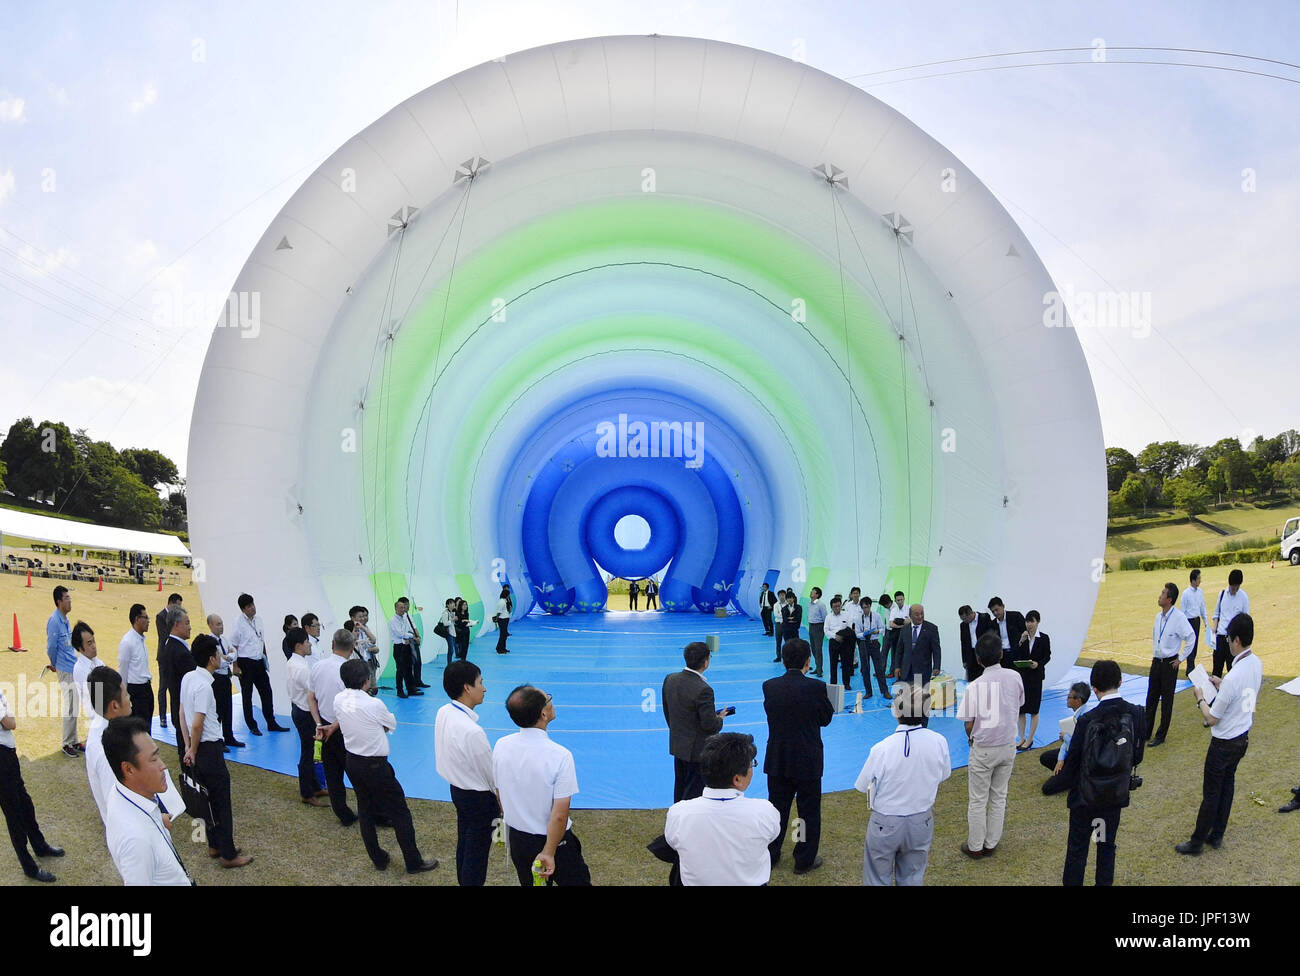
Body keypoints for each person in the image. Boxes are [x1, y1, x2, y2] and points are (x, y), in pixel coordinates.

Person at [334, 659, 439, 873]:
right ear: (366, 680)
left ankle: (379, 859)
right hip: (375, 765)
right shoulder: (373, 704)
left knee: (365, 808)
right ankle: (413, 862)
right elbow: (391, 723)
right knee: (399, 812)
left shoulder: (339, 698)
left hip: (353, 761)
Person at [1176, 612, 1262, 855]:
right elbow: (1242, 691)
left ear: (1236, 641)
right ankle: (1217, 835)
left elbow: (1211, 717)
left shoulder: (1234, 675)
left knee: (1212, 793)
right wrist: (1220, 684)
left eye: (1228, 641)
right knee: (1227, 786)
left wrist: (1200, 697)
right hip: (1242, 737)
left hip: (1224, 742)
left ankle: (1196, 842)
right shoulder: (1255, 663)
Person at [492, 685, 592, 885]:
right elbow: (560, 814)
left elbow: (499, 793)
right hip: (556, 843)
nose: (552, 702)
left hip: (519, 840)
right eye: (548, 699)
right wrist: (549, 851)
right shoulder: (560, 756)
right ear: (544, 713)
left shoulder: (501, 745)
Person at [1059, 660, 1146, 886]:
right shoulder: (1135, 713)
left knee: (1077, 850)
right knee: (1106, 846)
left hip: (1085, 797)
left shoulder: (1087, 720)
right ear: (1120, 681)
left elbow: (1073, 763)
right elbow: (1137, 755)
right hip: (1113, 794)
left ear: (1094, 688)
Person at [855, 683, 951, 885]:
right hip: (921, 819)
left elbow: (862, 785)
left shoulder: (882, 749)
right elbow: (944, 774)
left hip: (885, 821)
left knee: (876, 878)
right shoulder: (939, 741)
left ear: (896, 711)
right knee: (913, 877)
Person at [664, 732, 780, 886]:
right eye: (752, 764)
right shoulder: (764, 812)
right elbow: (772, 836)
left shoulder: (679, 813)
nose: (752, 768)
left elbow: (673, 843)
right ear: (737, 778)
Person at [181, 635, 253, 868]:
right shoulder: (204, 686)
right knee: (221, 801)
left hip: (197, 747)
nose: (222, 658)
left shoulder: (188, 678)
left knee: (206, 799)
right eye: (218, 654)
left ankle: (214, 845)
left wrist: (187, 746)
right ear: (212, 659)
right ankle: (228, 854)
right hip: (208, 748)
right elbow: (197, 723)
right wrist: (192, 748)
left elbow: (182, 713)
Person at [763, 638, 833, 874]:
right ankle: (803, 860)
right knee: (807, 812)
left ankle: (771, 854)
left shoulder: (769, 686)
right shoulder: (816, 688)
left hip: (778, 759)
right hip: (807, 760)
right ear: (808, 661)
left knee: (777, 810)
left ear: (783, 661)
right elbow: (825, 718)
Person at [956, 632, 1024, 858]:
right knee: (998, 796)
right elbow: (1019, 703)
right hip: (1007, 745)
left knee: (978, 799)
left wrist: (972, 738)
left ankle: (976, 846)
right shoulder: (1014, 677)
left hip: (984, 748)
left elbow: (968, 723)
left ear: (978, 659)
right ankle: (991, 842)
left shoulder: (974, 686)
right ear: (1002, 654)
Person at [102, 717, 192, 885]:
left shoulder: (123, 791)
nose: (163, 765)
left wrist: (158, 819)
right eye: (153, 759)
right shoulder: (136, 841)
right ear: (128, 769)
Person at [435, 660, 498, 885]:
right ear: (467, 688)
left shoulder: (444, 711)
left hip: (458, 790)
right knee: (477, 853)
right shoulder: (472, 731)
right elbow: (492, 776)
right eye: (480, 682)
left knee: (465, 842)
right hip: (479, 799)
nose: (484, 687)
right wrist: (501, 802)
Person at [0, 682, 63, 881]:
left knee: (25, 804)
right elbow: (10, 723)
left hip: (8, 755)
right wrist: (7, 710)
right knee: (14, 814)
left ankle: (39, 845)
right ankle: (29, 867)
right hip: (1, 758)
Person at [307, 629, 361, 826]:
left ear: (332, 644)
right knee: (356, 771)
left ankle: (342, 812)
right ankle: (372, 811)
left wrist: (319, 724)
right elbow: (352, 706)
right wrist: (333, 726)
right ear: (352, 647)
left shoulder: (318, 666)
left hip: (324, 724)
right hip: (343, 728)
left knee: (332, 772)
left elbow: (310, 697)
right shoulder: (349, 670)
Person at [662, 641, 726, 803]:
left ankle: (676, 822)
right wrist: (719, 718)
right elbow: (709, 725)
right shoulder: (703, 689)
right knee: (693, 793)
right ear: (705, 662)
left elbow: (668, 711)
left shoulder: (670, 679)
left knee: (680, 786)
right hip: (697, 750)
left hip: (679, 744)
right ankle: (687, 826)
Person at [1146, 582, 1197, 747]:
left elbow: (1191, 637)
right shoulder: (1157, 617)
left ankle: (1161, 735)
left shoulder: (1179, 618)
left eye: (1163, 593)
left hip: (1169, 664)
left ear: (1169, 599)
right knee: (1151, 698)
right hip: (1156, 662)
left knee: (1167, 700)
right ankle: (1146, 732)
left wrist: (1181, 658)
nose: (1159, 596)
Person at [229, 594, 288, 732]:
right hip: (245, 662)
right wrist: (236, 666)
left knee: (267, 692)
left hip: (259, 661)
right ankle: (252, 725)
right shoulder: (238, 623)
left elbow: (261, 640)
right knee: (247, 695)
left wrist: (265, 658)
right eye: (249, 606)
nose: (253, 608)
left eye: (253, 604)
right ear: (243, 609)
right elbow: (234, 646)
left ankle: (271, 722)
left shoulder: (259, 620)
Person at [86, 665, 133, 824]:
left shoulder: (109, 729)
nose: (129, 698)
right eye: (126, 694)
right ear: (114, 705)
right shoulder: (105, 748)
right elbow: (116, 805)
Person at [284, 627, 323, 806]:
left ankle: (314, 786)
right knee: (308, 753)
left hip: (298, 709)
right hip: (304, 712)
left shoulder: (294, 662)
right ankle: (307, 792)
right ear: (299, 645)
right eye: (307, 642)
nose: (309, 645)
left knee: (310, 750)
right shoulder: (301, 668)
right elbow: (312, 693)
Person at [893, 604, 941, 726]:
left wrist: (936, 666)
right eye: (917, 614)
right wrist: (897, 666)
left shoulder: (931, 628)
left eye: (922, 614)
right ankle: (908, 723)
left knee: (923, 699)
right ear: (910, 615)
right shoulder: (904, 629)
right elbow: (899, 650)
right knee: (906, 699)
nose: (920, 616)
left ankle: (923, 725)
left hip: (922, 671)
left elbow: (936, 650)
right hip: (906, 671)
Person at [45, 585, 79, 758]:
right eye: (67, 598)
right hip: (64, 668)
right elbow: (51, 646)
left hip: (72, 666)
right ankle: (67, 743)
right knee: (70, 705)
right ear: (59, 602)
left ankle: (74, 739)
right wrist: (53, 663)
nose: (69, 600)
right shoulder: (54, 621)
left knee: (75, 704)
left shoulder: (65, 619)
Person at [1040, 683, 1091, 796]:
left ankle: (1075, 777)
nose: (1067, 699)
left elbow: (1079, 745)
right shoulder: (1076, 715)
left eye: (1069, 697)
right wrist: (1060, 760)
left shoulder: (1084, 718)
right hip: (1071, 753)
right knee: (1046, 757)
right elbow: (1066, 745)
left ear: (1078, 700)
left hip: (1078, 758)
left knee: (1047, 789)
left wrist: (1066, 737)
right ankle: (1068, 773)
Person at [1013, 610, 1051, 750]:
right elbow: (1015, 654)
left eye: (1032, 621)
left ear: (1038, 622)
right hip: (1023, 676)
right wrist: (1021, 641)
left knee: (1034, 709)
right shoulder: (1022, 637)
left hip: (1035, 676)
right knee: (1021, 709)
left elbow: (1047, 656)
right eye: (1027, 621)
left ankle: (1030, 739)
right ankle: (1021, 737)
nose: (1029, 624)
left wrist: (1038, 664)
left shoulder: (1044, 638)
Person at [161, 608, 196, 757]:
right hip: (185, 709)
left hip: (177, 705)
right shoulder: (179, 651)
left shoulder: (169, 644)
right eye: (187, 623)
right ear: (176, 624)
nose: (190, 627)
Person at [207, 614, 243, 748]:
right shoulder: (210, 642)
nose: (221, 626)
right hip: (216, 679)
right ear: (210, 625)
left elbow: (234, 653)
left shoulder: (224, 639)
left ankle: (229, 737)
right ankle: (218, 740)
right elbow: (218, 662)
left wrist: (227, 657)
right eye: (217, 624)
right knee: (218, 711)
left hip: (225, 677)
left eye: (221, 623)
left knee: (228, 708)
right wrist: (227, 658)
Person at [117, 604, 154, 727]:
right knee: (139, 730)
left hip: (146, 688)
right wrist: (124, 696)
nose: (149, 621)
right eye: (146, 617)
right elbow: (123, 671)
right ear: (137, 619)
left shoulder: (141, 639)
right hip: (136, 692)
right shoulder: (127, 642)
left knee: (147, 727)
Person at [1209, 569, 1249, 678]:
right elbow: (1216, 614)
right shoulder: (1222, 594)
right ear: (1229, 584)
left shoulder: (1243, 597)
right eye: (1233, 587)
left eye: (1237, 587)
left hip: (1234, 639)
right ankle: (1213, 694)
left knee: (1233, 671)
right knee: (1216, 670)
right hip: (1221, 637)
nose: (1235, 590)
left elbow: (1245, 621)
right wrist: (1214, 629)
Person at [154, 592, 183, 730]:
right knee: (163, 687)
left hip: (173, 656)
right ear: (171, 603)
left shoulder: (176, 618)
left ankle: (175, 717)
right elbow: (164, 635)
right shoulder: (160, 616)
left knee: (174, 687)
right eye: (177, 606)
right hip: (164, 657)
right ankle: (162, 717)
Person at [388, 597, 423, 698]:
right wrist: (411, 636)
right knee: (400, 670)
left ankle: (411, 689)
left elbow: (407, 631)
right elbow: (400, 633)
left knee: (408, 668)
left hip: (406, 646)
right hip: (399, 647)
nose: (403, 609)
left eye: (404, 607)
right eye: (400, 608)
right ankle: (400, 691)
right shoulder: (393, 620)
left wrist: (408, 636)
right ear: (396, 608)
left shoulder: (404, 618)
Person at [1180, 569, 1209, 677]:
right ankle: (1190, 669)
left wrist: (1205, 621)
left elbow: (1202, 607)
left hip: (1197, 620)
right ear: (1193, 580)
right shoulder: (1186, 594)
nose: (1200, 581)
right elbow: (1182, 611)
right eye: (1198, 579)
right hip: (1189, 621)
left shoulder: (1200, 592)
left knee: (1195, 645)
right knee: (1190, 644)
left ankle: (1191, 668)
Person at [824, 596, 856, 690]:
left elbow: (849, 627)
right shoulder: (828, 617)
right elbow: (826, 631)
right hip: (833, 642)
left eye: (839, 606)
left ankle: (846, 683)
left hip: (845, 641)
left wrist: (841, 635)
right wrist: (835, 636)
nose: (837, 608)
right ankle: (833, 684)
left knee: (845, 663)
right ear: (831, 607)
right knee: (833, 664)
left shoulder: (846, 614)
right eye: (835, 607)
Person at [71, 620, 98, 730]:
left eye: (93, 641)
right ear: (80, 648)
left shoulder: (98, 662)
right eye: (89, 643)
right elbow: (95, 699)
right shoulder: (80, 669)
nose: (94, 646)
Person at [348, 606, 381, 693]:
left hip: (368, 662)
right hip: (357, 665)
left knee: (372, 688)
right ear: (352, 618)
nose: (363, 618)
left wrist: (363, 628)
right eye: (360, 616)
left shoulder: (364, 628)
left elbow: (373, 640)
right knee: (363, 690)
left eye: (364, 616)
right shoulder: (349, 630)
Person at [987, 597, 1026, 667]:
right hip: (1002, 657)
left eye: (996, 610)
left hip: (1017, 654)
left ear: (1003, 606)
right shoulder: (992, 624)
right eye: (992, 611)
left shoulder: (1016, 616)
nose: (995, 613)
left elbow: (1025, 632)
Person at [958, 605, 991, 682]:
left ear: (970, 613)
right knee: (972, 680)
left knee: (985, 678)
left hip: (983, 652)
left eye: (965, 618)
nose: (964, 621)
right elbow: (963, 643)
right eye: (962, 619)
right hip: (971, 654)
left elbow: (990, 636)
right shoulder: (963, 625)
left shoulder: (984, 617)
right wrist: (964, 660)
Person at [884, 591, 908, 673]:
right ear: (895, 600)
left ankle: (904, 673)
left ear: (904, 598)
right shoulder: (894, 610)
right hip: (896, 634)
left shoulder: (909, 608)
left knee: (905, 654)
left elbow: (911, 621)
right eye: (898, 600)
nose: (900, 601)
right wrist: (903, 624)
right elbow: (891, 624)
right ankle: (895, 672)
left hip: (906, 634)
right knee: (895, 654)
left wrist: (899, 621)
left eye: (901, 599)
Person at [806, 586, 827, 677]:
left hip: (819, 627)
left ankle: (819, 670)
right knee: (813, 649)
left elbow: (825, 617)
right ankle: (818, 667)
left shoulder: (821, 605)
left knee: (818, 649)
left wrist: (823, 628)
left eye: (813, 592)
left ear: (817, 595)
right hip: (811, 626)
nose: (811, 593)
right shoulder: (809, 604)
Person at [778, 590, 802, 663]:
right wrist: (792, 619)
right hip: (786, 631)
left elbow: (798, 618)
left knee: (797, 646)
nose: (789, 600)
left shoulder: (798, 607)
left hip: (795, 630)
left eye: (791, 598)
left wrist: (791, 619)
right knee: (788, 647)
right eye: (788, 598)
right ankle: (789, 662)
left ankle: (798, 662)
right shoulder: (784, 609)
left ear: (793, 598)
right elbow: (785, 620)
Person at [494, 585, 513, 654]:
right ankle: (499, 648)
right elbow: (499, 612)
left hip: (505, 619)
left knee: (504, 635)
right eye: (508, 595)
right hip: (502, 620)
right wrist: (496, 618)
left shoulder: (504, 601)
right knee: (503, 635)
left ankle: (503, 648)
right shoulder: (502, 602)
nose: (509, 596)